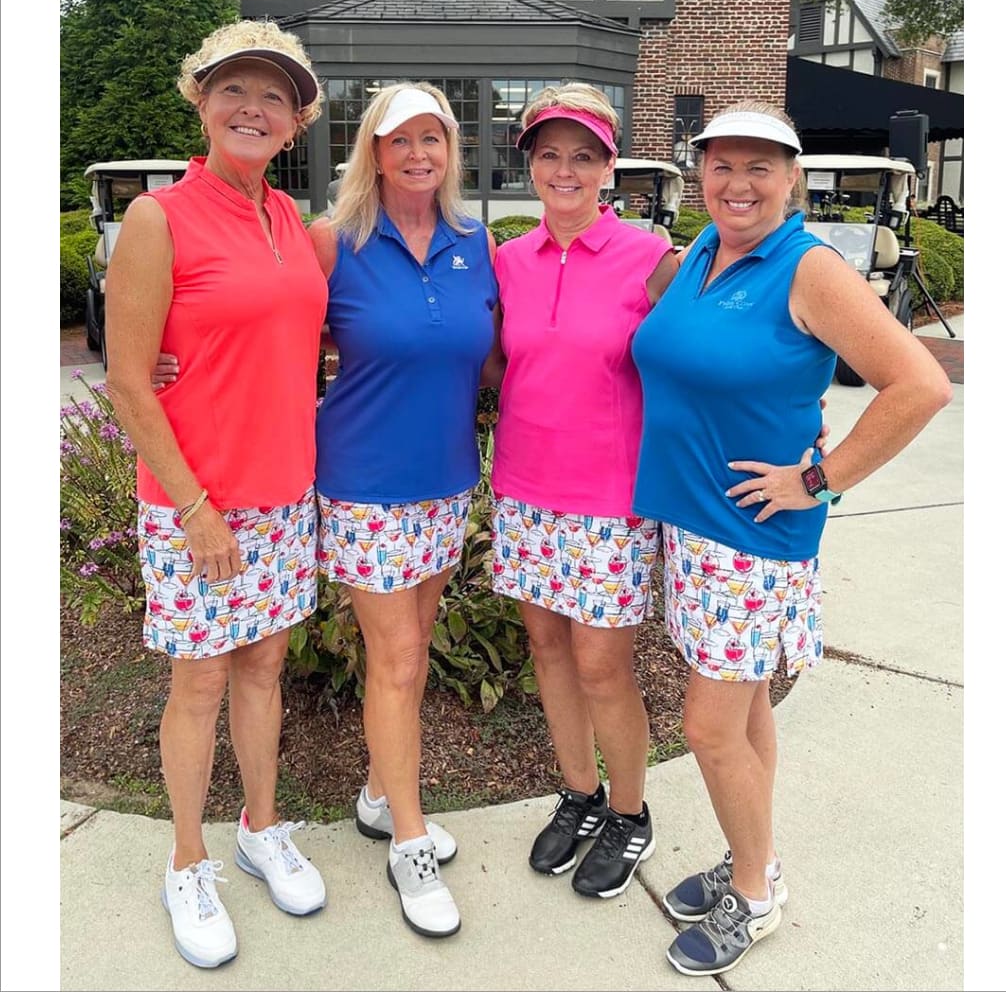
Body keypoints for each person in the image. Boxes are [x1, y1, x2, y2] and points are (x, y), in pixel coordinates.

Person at [629, 100, 953, 976]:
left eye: (759, 167)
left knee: (707, 729)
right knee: (745, 715)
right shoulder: (704, 249)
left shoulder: (807, 268)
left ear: (793, 179)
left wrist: (820, 476)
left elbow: (920, 384)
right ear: (700, 173)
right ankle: (752, 859)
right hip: (693, 527)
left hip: (751, 537)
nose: (737, 184)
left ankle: (757, 898)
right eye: (721, 165)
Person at [104, 20, 328, 969]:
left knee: (263, 671)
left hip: (285, 495)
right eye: (234, 88)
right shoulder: (161, 216)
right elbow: (125, 379)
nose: (253, 106)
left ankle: (260, 825)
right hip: (196, 504)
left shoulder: (289, 222)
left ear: (295, 124)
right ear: (201, 100)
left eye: (273, 96)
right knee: (198, 679)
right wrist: (195, 509)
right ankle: (187, 859)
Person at [308, 82, 499, 938]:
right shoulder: (333, 243)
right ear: (372, 153)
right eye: (400, 140)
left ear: (450, 151)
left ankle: (382, 796)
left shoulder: (475, 240)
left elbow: (497, 355)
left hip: (449, 479)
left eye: (434, 138)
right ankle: (410, 843)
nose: (419, 153)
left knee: (412, 652)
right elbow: (271, 338)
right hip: (365, 483)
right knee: (394, 660)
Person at [487, 84, 679, 898]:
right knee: (547, 650)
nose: (565, 169)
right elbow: (491, 362)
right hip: (524, 489)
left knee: (604, 666)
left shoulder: (654, 259)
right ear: (529, 163)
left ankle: (630, 814)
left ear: (609, 167)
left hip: (610, 499)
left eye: (584, 155)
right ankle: (578, 793)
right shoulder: (506, 261)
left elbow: (709, 357)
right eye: (549, 153)